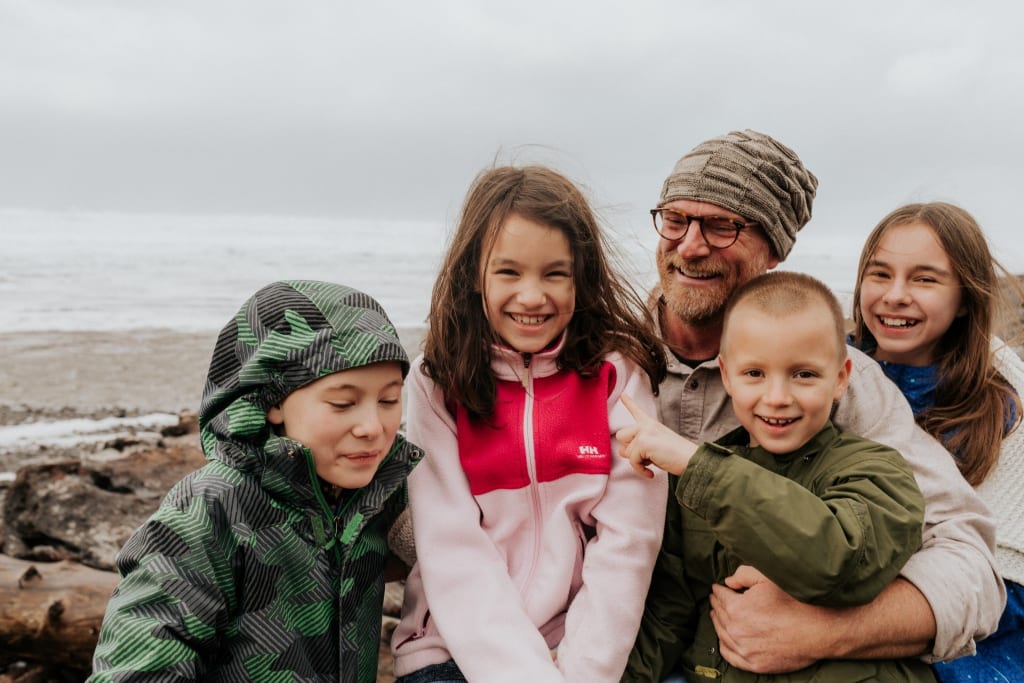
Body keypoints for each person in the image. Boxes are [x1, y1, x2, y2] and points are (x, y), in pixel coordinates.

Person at [635, 129, 1003, 677]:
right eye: (675, 219)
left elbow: (970, 564)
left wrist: (826, 632)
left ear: (776, 252)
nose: (690, 245)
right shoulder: (604, 358)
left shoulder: (846, 387)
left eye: (722, 225)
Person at [389, 165, 669, 682]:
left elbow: (629, 540)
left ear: (580, 276)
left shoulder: (616, 376)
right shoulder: (437, 383)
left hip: (578, 650)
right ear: (475, 273)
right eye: (509, 272)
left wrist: (582, 672)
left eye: (554, 273)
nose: (533, 296)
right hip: (451, 649)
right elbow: (452, 547)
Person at [89, 280, 422, 682]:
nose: (373, 426)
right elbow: (140, 658)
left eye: (389, 400)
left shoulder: (380, 497)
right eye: (343, 403)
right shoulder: (210, 508)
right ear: (273, 400)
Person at [620, 270, 934, 681]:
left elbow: (837, 559)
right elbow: (667, 617)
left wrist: (699, 467)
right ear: (727, 375)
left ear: (840, 378)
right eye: (755, 374)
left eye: (803, 374)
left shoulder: (877, 471)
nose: (778, 398)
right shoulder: (693, 486)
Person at [852, 202, 1024, 681]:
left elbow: (1011, 579)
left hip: (972, 649)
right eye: (880, 274)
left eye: (925, 279)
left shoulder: (1003, 409)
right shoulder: (823, 377)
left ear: (966, 297)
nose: (895, 295)